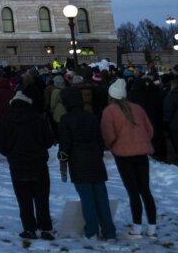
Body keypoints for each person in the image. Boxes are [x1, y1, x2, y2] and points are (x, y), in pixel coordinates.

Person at [100, 78, 157, 237]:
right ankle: (152, 227)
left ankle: (137, 227)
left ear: (111, 95)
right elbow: (149, 130)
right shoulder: (138, 108)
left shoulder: (109, 111)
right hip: (141, 153)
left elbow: (109, 135)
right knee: (145, 190)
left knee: (133, 192)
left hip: (123, 155)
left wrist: (111, 146)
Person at [57, 88, 116, 240]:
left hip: (78, 162)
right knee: (101, 197)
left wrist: (63, 160)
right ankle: (109, 231)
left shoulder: (66, 119)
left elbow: (65, 144)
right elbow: (100, 140)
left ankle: (92, 230)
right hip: (95, 160)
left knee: (87, 198)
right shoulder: (92, 117)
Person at [0, 90, 55, 241]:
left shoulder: (6, 120)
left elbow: (0, 145)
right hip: (38, 163)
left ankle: (29, 228)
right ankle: (45, 228)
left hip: (17, 165)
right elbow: (48, 141)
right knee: (42, 198)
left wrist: (11, 154)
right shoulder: (38, 118)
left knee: (24, 199)